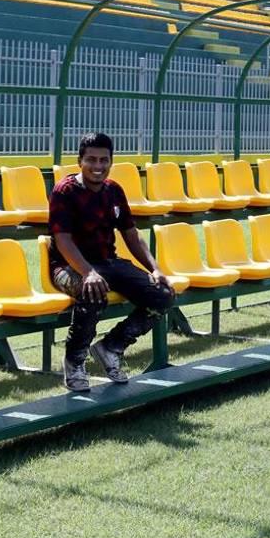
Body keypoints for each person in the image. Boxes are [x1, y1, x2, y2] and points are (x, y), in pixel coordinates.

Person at [48, 132, 177, 391]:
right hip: (68, 266)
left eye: (103, 160)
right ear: (80, 161)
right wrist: (87, 272)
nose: (98, 166)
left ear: (111, 161)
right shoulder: (65, 191)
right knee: (92, 290)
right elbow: (62, 240)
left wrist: (155, 269)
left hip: (108, 263)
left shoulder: (114, 190)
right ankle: (74, 362)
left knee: (163, 294)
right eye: (91, 160)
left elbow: (131, 235)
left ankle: (111, 347)